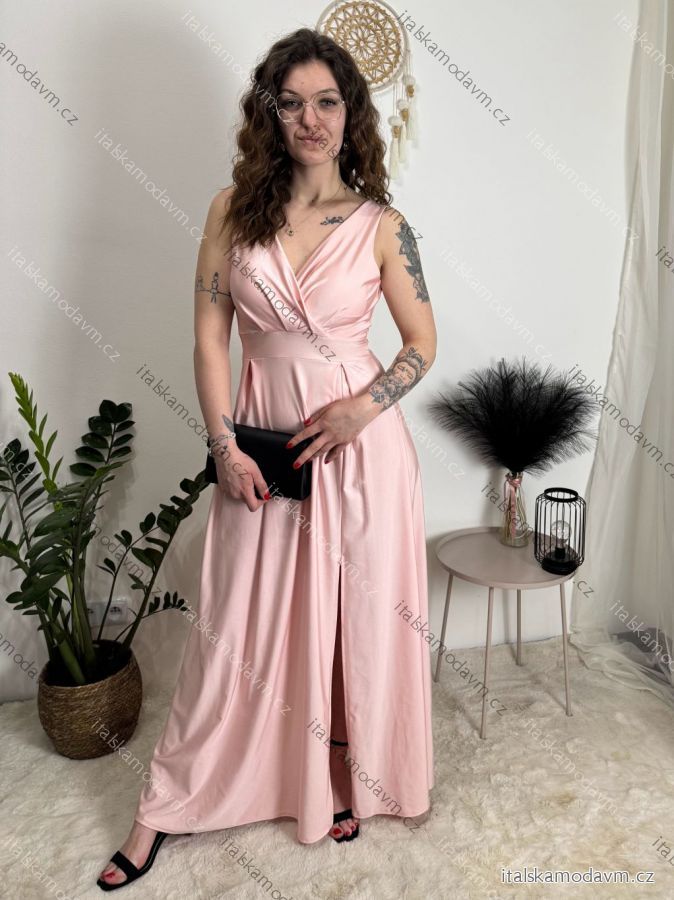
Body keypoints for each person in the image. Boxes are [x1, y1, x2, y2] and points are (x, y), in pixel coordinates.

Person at [98, 26, 436, 890]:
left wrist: (362, 410)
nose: (310, 120)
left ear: (351, 113)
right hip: (260, 451)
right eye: (292, 104)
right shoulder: (230, 210)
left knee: (356, 619)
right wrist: (223, 446)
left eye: (327, 102)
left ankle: (348, 773)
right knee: (233, 628)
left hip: (362, 454)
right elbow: (209, 338)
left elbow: (421, 344)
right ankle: (165, 804)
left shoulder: (383, 226)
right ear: (270, 114)